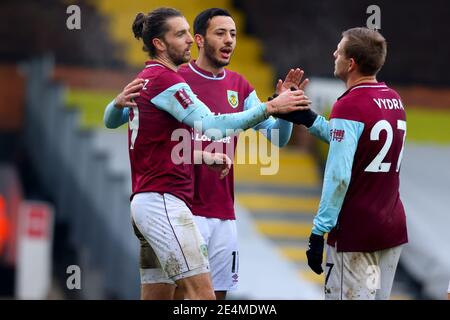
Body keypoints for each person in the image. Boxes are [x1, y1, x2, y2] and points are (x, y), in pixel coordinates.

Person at [103, 7, 310, 300]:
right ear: (201, 39)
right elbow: (212, 126)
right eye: (220, 33)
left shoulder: (237, 84)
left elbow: (276, 138)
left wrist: (286, 111)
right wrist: (271, 106)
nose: (229, 40)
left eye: (234, 34)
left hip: (217, 209)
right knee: (200, 296)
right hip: (178, 205)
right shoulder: (174, 79)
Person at [279, 27, 408, 300]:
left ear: (350, 63)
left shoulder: (349, 105)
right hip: (390, 228)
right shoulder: (394, 99)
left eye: (339, 49)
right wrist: (308, 118)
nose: (334, 53)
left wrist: (318, 231)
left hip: (356, 234)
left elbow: (339, 176)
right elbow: (356, 142)